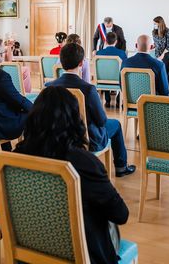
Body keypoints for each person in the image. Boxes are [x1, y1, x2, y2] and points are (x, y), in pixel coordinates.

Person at [15, 86, 129, 264]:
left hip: (30, 250)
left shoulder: (15, 159)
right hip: (81, 253)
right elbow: (121, 215)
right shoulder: (84, 163)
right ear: (75, 120)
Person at [46, 43, 136, 178]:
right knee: (116, 125)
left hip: (60, 137)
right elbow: (101, 121)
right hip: (86, 139)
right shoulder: (88, 89)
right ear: (81, 63)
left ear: (61, 61)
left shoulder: (49, 86)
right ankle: (121, 167)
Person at [96, 32, 128, 107]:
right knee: (123, 77)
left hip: (102, 79)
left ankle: (107, 100)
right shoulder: (122, 53)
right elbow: (125, 66)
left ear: (105, 41)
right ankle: (118, 100)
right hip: (117, 79)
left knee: (105, 74)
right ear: (116, 41)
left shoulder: (99, 53)